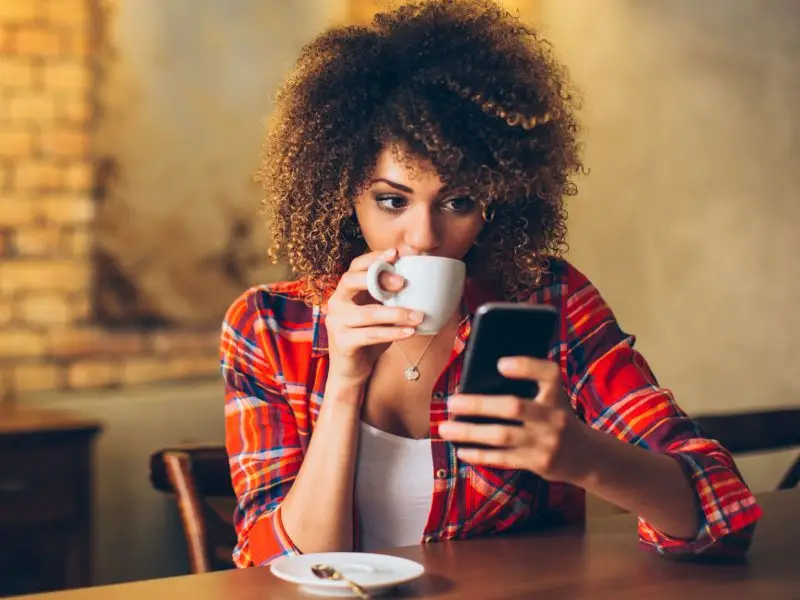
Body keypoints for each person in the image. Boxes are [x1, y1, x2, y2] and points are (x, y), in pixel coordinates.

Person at [221, 0, 761, 568]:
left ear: (498, 201)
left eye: (458, 201)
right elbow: (275, 571)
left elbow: (722, 514)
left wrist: (581, 456)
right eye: (391, 200)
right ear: (341, 192)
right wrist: (344, 386)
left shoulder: (544, 298)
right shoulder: (268, 327)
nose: (425, 235)